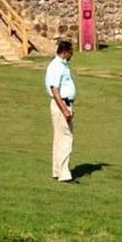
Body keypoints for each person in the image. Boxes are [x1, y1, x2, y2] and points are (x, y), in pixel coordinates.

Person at [45, 39, 77, 182]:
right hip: (61, 104)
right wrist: (64, 110)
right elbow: (55, 89)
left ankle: (57, 170)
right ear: (65, 52)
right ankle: (64, 173)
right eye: (70, 52)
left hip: (64, 103)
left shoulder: (62, 65)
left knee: (59, 137)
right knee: (65, 137)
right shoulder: (56, 66)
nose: (71, 55)